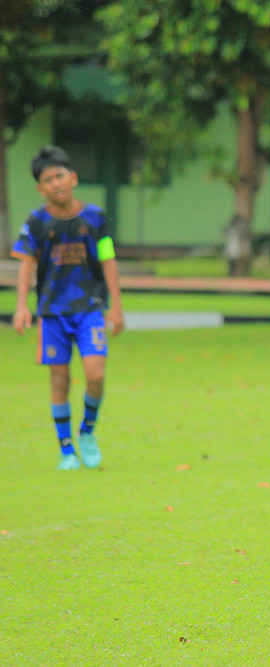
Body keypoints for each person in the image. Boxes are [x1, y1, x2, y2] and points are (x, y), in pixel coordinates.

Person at [11, 146, 125, 471]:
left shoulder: (95, 217)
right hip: (52, 313)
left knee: (95, 374)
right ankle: (66, 451)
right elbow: (26, 263)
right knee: (59, 378)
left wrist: (116, 306)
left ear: (73, 178)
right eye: (48, 180)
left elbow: (108, 259)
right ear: (41, 188)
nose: (56, 183)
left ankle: (86, 431)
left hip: (90, 309)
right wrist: (22, 306)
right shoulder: (37, 222)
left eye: (60, 176)